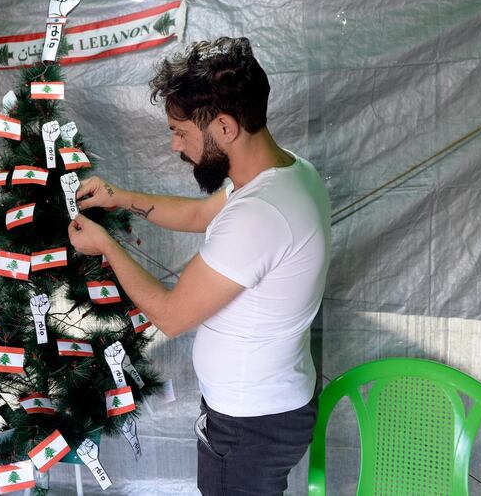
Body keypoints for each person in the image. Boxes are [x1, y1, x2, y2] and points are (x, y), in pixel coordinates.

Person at [67, 37, 331, 495]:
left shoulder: (259, 215)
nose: (175, 145)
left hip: (248, 425)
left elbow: (170, 315)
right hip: (269, 410)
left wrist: (107, 247)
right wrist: (119, 198)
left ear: (225, 127)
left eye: (180, 131)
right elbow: (196, 215)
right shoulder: (288, 174)